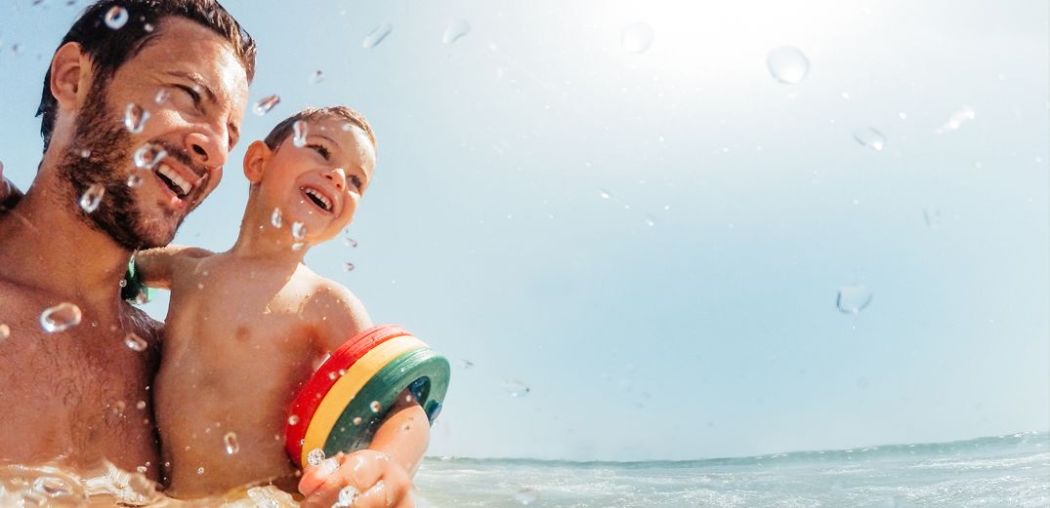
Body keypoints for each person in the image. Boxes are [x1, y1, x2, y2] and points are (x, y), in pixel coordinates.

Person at [0, 2, 414, 506]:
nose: (217, 152)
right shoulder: (185, 284)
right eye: (189, 97)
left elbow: (391, 405)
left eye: (230, 134)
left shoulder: (159, 354)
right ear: (71, 78)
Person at [135, 106, 427, 506]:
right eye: (322, 151)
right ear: (258, 162)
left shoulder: (322, 300)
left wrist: (385, 462)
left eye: (357, 180)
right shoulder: (186, 268)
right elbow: (110, 260)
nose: (338, 177)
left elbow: (405, 409)